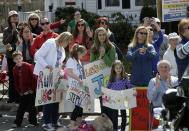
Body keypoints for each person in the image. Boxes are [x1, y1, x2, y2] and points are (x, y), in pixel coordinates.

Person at [34, 32, 73, 131]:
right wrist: (46, 65)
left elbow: (59, 63)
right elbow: (38, 55)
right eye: (67, 41)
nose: (67, 44)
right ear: (64, 39)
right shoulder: (50, 43)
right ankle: (47, 123)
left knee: (55, 100)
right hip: (46, 75)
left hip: (55, 76)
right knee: (48, 99)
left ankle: (55, 122)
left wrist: (60, 72)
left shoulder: (61, 48)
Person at [102, 60, 136, 131]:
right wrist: (103, 92)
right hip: (114, 99)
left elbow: (129, 85)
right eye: (116, 68)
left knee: (124, 115)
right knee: (114, 115)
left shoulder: (125, 77)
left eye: (120, 68)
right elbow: (108, 87)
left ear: (122, 68)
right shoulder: (111, 78)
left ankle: (123, 129)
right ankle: (115, 128)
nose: (118, 69)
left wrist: (134, 91)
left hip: (123, 99)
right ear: (114, 69)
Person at [90, 27, 116, 113]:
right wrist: (100, 57)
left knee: (110, 102)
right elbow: (92, 65)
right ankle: (104, 122)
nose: (102, 37)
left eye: (104, 34)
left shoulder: (111, 47)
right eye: (100, 35)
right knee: (102, 102)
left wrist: (104, 55)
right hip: (99, 78)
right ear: (96, 36)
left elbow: (111, 64)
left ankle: (112, 123)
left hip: (109, 77)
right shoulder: (93, 48)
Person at [12, 51, 37, 128]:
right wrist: (19, 91)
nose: (18, 60)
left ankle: (33, 122)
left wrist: (32, 89)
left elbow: (35, 78)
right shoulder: (15, 69)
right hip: (23, 92)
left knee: (32, 108)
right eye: (16, 59)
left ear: (22, 58)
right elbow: (15, 82)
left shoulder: (28, 66)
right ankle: (17, 122)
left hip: (31, 90)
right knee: (21, 108)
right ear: (14, 60)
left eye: (20, 58)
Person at [66, 44, 87, 129]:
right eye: (82, 54)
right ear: (78, 52)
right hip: (74, 85)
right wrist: (79, 79)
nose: (83, 56)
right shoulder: (71, 60)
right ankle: (72, 123)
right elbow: (69, 72)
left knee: (80, 105)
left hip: (80, 85)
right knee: (78, 105)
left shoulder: (78, 60)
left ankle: (78, 122)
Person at [2, 10, 20, 103]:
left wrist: (16, 31)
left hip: (20, 57)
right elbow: (5, 42)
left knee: (20, 76)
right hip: (10, 56)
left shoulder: (21, 27)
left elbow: (19, 39)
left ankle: (19, 97)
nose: (15, 18)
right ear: (9, 19)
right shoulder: (6, 30)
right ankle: (12, 97)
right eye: (12, 16)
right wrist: (12, 32)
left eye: (16, 16)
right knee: (12, 77)